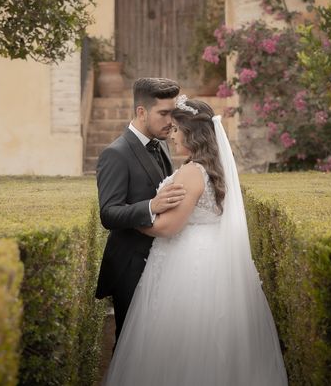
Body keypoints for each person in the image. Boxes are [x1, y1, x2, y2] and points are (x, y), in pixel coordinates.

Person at [104, 96, 289, 385]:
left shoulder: (192, 172)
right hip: (212, 256)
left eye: (177, 129)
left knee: (182, 338)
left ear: (192, 133)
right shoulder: (214, 168)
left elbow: (169, 227)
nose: (172, 134)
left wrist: (138, 217)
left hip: (188, 262)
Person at [95, 77, 188, 343]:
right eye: (163, 113)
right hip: (131, 267)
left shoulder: (164, 145)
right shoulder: (115, 154)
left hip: (162, 262)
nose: (171, 121)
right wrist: (150, 206)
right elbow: (108, 213)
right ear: (141, 112)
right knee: (130, 346)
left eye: (173, 113)